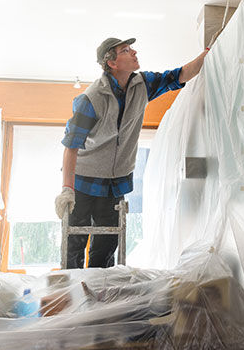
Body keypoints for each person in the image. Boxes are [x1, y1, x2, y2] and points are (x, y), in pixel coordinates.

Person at [55, 37, 208, 268]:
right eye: (125, 50)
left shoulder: (142, 85)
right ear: (112, 63)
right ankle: (70, 294)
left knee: (106, 248)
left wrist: (208, 54)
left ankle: (97, 296)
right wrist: (67, 189)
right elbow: (71, 145)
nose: (134, 52)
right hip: (84, 182)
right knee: (74, 243)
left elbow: (179, 75)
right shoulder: (92, 98)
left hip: (115, 183)